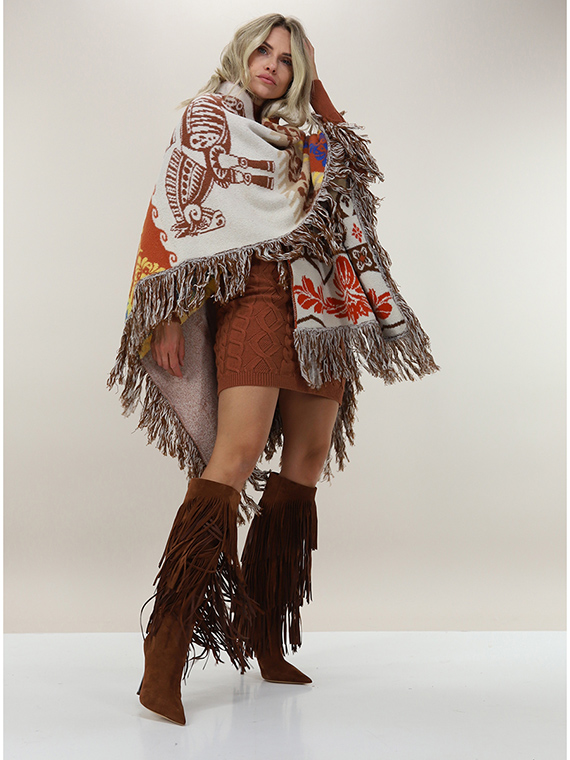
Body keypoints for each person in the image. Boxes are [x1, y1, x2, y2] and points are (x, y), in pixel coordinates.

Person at [109, 13, 437, 726]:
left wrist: (319, 93)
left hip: (321, 300)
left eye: (288, 59)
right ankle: (165, 648)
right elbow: (176, 216)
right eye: (263, 50)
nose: (271, 65)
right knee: (236, 453)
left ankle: (265, 628)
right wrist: (168, 313)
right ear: (241, 53)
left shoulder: (309, 138)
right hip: (255, 295)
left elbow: (352, 176)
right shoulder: (208, 120)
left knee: (309, 457)